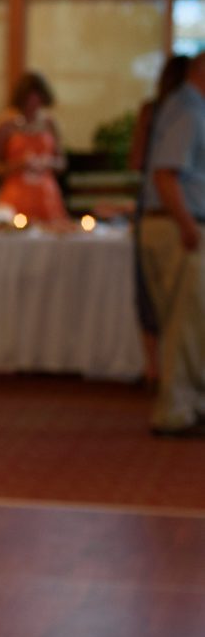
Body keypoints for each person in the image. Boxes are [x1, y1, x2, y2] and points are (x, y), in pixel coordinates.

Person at [139, 52, 205, 439]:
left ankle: (190, 403)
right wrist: (187, 226)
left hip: (172, 225)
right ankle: (175, 411)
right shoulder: (189, 111)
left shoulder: (181, 106)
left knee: (190, 322)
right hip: (177, 227)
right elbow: (166, 175)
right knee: (185, 323)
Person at [129, 54, 190, 388]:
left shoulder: (151, 111)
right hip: (177, 208)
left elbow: (137, 161)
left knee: (148, 288)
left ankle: (154, 368)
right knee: (182, 295)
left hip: (149, 208)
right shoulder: (188, 113)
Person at [0, 71, 69, 223]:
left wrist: (47, 162)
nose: (34, 105)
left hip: (46, 195)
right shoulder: (5, 124)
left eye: (38, 100)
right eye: (29, 100)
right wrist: (18, 165)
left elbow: (62, 162)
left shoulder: (49, 123)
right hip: (16, 192)